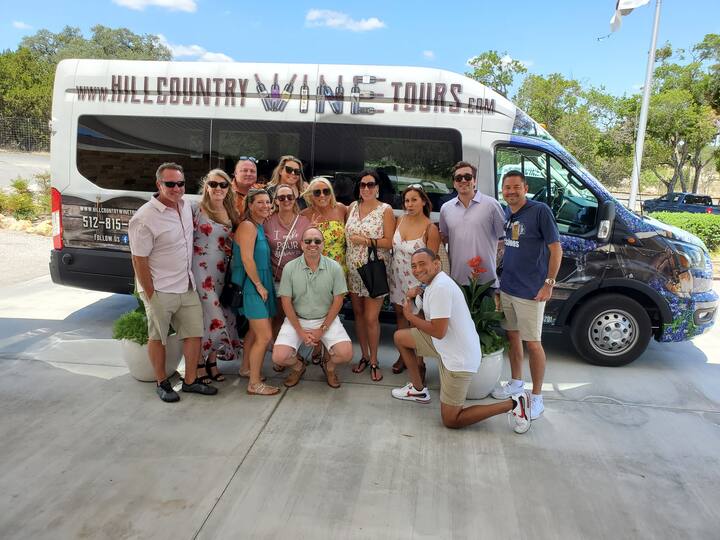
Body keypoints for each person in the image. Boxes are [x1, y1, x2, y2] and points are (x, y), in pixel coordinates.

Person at [391, 248, 531, 433]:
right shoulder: (432, 284)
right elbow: (428, 318)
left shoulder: (441, 287)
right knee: (400, 337)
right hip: (444, 344)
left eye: (422, 264)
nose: (417, 270)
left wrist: (409, 317)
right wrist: (413, 295)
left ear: (436, 264)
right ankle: (418, 390)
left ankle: (514, 404)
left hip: (459, 356)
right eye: (414, 266)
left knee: (451, 419)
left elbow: (438, 331)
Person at [128, 162, 218, 402]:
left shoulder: (186, 206)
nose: (176, 188)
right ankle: (162, 382)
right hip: (160, 289)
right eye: (170, 184)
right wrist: (151, 295)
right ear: (158, 184)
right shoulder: (144, 218)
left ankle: (190, 381)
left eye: (180, 183)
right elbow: (139, 260)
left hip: (186, 286)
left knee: (194, 334)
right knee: (158, 337)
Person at [490, 170, 562, 421]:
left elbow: (556, 249)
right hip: (508, 287)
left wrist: (549, 284)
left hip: (531, 291)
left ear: (525, 188)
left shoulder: (540, 211)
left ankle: (538, 397)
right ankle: (516, 382)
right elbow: (511, 244)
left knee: (533, 343)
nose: (511, 191)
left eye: (516, 187)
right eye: (507, 188)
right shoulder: (508, 213)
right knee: (513, 336)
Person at [271, 227, 353, 388]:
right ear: (302, 244)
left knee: (346, 354)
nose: (312, 244)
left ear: (323, 244)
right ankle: (298, 367)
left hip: (325, 319)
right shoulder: (290, 268)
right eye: (308, 241)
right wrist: (300, 331)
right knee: (279, 357)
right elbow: (286, 302)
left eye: (317, 241)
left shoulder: (335, 267)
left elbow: (338, 301)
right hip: (297, 319)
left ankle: (329, 367)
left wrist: (322, 329)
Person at [191, 169, 242, 383]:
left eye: (223, 185)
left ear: (229, 188)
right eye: (213, 184)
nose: (218, 188)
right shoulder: (195, 208)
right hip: (199, 269)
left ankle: (211, 362)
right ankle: (197, 363)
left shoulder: (231, 211)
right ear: (206, 186)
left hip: (221, 270)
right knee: (214, 317)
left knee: (212, 317)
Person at [344, 169, 395, 382]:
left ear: (377, 187)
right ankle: (364, 356)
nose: (366, 188)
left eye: (370, 184)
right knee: (357, 314)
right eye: (362, 184)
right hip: (353, 270)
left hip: (374, 271)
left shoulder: (385, 210)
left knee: (371, 318)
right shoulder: (352, 207)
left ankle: (374, 360)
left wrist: (365, 241)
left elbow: (389, 242)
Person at [388, 185, 440, 376]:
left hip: (417, 282)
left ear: (423, 201)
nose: (409, 204)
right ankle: (403, 355)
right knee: (400, 315)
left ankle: (419, 363)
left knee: (417, 321)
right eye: (407, 201)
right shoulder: (399, 220)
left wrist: (422, 287)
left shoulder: (430, 228)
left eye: (414, 200)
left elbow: (432, 265)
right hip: (397, 278)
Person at [232, 188, 278, 396]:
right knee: (265, 336)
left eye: (268, 202)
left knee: (253, 331)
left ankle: (245, 368)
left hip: (261, 282)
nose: (265, 206)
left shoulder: (259, 226)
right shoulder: (248, 226)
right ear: (250, 205)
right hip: (252, 285)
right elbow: (247, 259)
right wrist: (259, 285)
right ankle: (254, 383)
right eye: (260, 202)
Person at [263, 183, 310, 369]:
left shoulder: (304, 221)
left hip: (298, 279)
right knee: (278, 318)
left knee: (296, 318)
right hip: (276, 279)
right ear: (275, 201)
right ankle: (280, 354)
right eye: (281, 197)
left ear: (295, 199)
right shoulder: (268, 221)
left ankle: (293, 353)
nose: (286, 200)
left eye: (289, 197)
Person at [439, 161, 505, 287]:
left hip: (486, 281)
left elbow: (504, 239)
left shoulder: (492, 205)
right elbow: (445, 238)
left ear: (474, 181)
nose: (463, 180)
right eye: (458, 178)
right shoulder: (445, 209)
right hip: (456, 280)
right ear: (454, 183)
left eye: (468, 177)